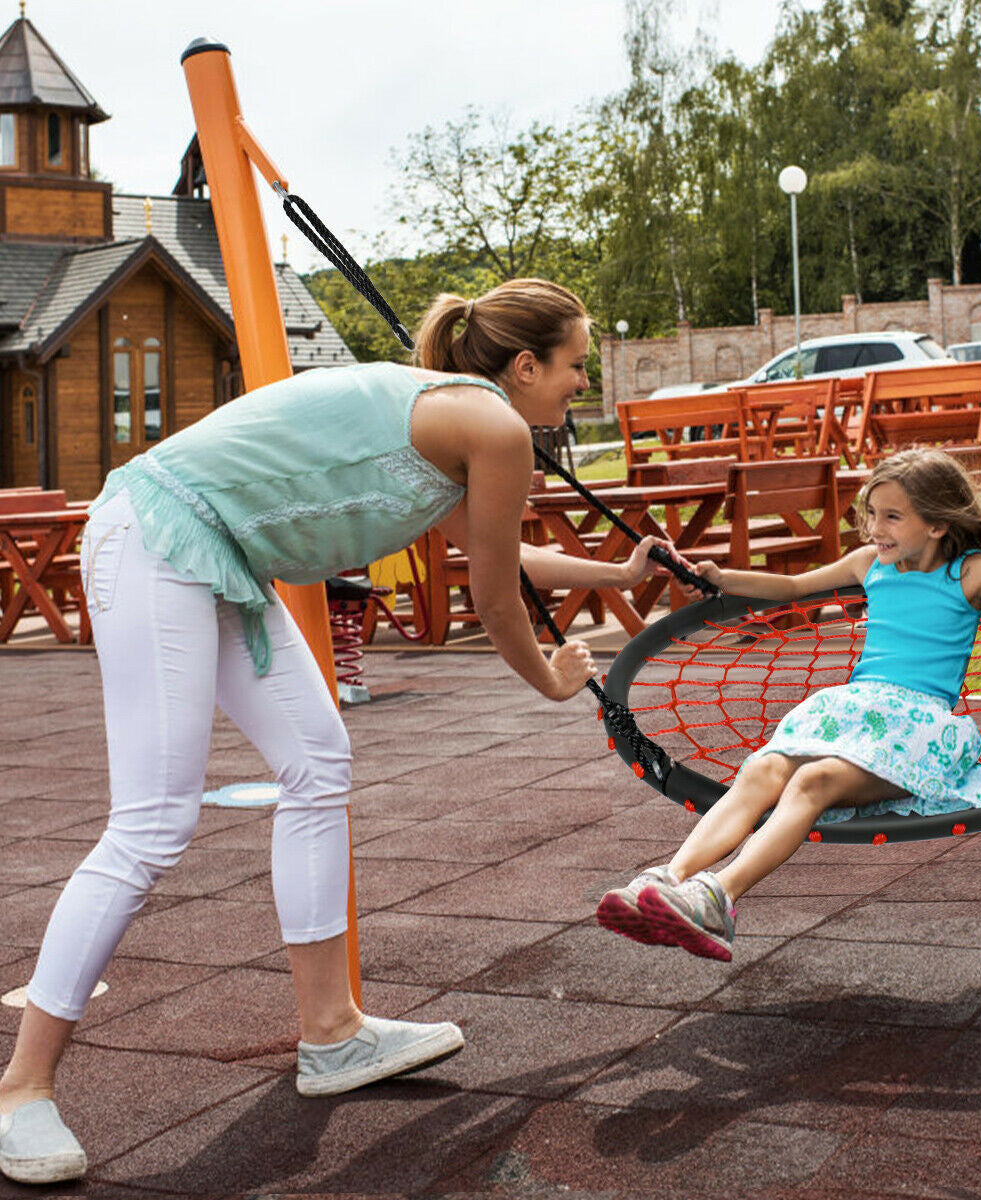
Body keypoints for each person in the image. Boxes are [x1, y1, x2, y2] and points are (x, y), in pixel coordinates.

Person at [0, 278, 683, 1185]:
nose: (580, 385)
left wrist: (615, 570)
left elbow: (496, 552)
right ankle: (20, 1087)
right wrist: (550, 680)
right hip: (159, 536)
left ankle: (331, 1033)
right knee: (155, 821)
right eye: (575, 366)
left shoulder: (459, 418)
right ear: (526, 366)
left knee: (319, 764)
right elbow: (491, 598)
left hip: (220, 553)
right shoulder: (496, 427)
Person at [596, 447, 981, 963]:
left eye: (892, 517)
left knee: (810, 781)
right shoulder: (870, 563)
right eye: (871, 513)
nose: (875, 528)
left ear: (937, 525)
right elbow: (793, 587)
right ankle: (671, 878)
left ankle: (719, 898)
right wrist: (721, 579)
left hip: (918, 732)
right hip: (855, 714)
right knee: (763, 768)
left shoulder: (971, 571)